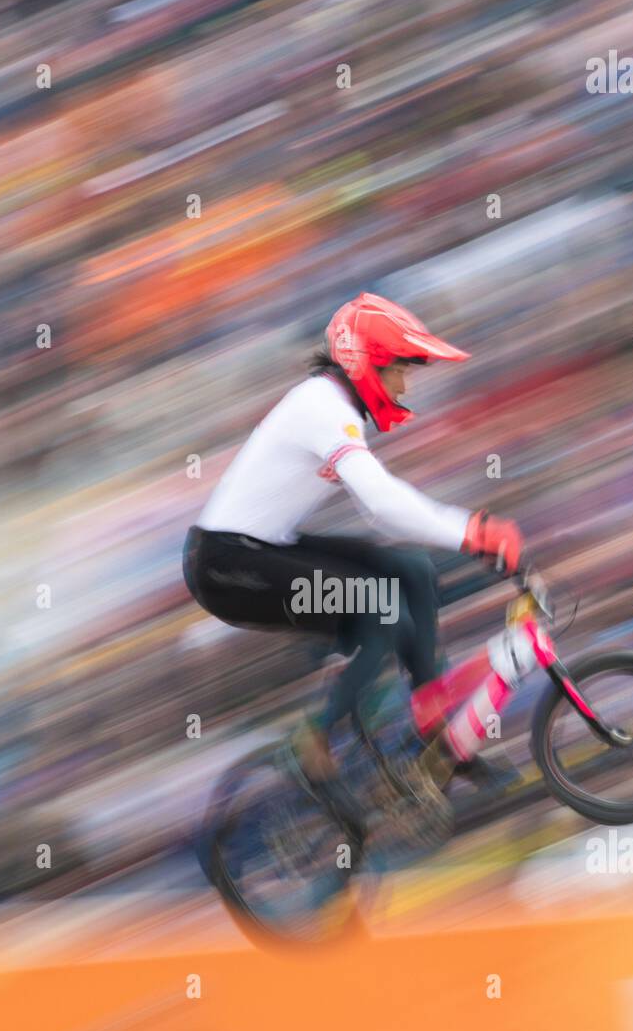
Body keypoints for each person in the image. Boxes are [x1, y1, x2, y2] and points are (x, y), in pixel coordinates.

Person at [183, 292, 522, 783]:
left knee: (412, 570)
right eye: (399, 371)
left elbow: (384, 515)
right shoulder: (324, 408)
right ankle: (316, 733)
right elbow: (382, 504)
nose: (404, 386)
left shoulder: (332, 403)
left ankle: (436, 731)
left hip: (263, 548)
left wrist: (465, 533)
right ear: (368, 365)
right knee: (383, 610)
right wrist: (469, 530)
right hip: (226, 567)